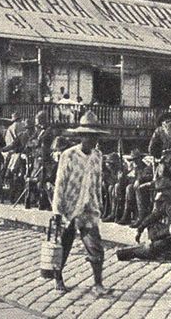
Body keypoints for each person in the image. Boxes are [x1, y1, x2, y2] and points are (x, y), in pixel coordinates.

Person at [52, 111, 111, 295]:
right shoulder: (68, 155)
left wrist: (99, 205)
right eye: (89, 136)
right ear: (81, 136)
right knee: (65, 243)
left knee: (95, 246)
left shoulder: (98, 156)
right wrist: (57, 210)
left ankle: (98, 283)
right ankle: (58, 277)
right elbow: (60, 183)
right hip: (69, 207)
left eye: (95, 137)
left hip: (89, 207)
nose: (93, 140)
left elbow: (98, 182)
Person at [117, 149, 153, 227]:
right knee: (129, 188)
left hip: (147, 189)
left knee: (137, 189)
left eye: (136, 159)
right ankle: (127, 214)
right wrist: (123, 178)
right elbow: (132, 179)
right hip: (138, 189)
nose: (135, 162)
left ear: (140, 158)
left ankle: (141, 217)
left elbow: (150, 177)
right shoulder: (136, 168)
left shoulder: (146, 167)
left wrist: (140, 180)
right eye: (133, 160)